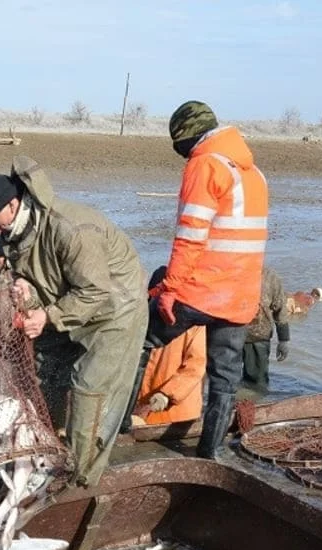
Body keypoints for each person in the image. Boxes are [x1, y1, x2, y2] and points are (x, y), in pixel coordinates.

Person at [0, 156, 147, 487]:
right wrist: (27, 290)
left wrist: (48, 315)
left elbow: (95, 292)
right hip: (72, 303)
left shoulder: (71, 228)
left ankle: (83, 478)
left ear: (13, 204)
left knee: (88, 388)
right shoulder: (15, 232)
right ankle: (47, 448)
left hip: (117, 309)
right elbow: (40, 278)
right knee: (42, 372)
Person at [128, 100, 269, 459]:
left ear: (185, 137)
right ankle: (209, 456)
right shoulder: (253, 174)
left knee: (134, 344)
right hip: (239, 299)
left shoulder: (205, 164)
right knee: (225, 380)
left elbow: (190, 236)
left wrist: (169, 290)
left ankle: (119, 430)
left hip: (200, 291)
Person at [134, 267, 206, 426]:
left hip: (178, 413)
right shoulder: (142, 320)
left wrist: (166, 394)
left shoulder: (194, 325)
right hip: (142, 409)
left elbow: (196, 366)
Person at [238, 266, 291, 400]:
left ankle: (254, 413)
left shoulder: (270, 276)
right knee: (225, 383)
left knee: (257, 386)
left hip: (258, 338)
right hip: (228, 336)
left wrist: (284, 340)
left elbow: (280, 309)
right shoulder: (228, 272)